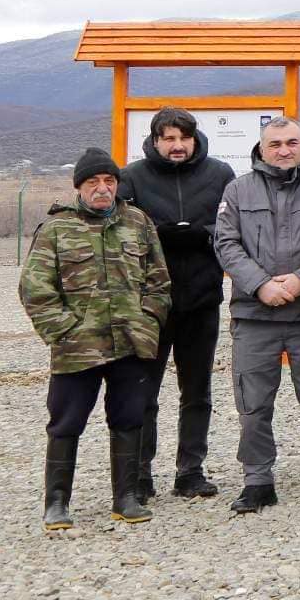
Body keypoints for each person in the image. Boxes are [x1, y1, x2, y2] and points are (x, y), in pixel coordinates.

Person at [21, 148, 171, 530]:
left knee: (129, 418)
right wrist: (65, 330)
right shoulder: (57, 228)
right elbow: (35, 289)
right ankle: (56, 503)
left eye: (109, 181)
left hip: (130, 343)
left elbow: (159, 280)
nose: (102, 188)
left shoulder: (138, 222)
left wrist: (148, 320)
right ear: (79, 187)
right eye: (93, 182)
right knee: (65, 423)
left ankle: (126, 498)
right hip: (77, 349)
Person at [215, 117, 300, 512]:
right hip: (255, 315)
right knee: (253, 404)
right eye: (275, 144)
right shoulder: (238, 190)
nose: (283, 150)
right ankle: (257, 481)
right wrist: (260, 284)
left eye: (291, 142)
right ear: (261, 148)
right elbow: (226, 243)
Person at [118, 106, 235, 501]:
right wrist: (157, 235)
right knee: (143, 391)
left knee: (197, 391)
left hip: (201, 298)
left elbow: (234, 224)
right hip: (150, 303)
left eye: (183, 137)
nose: (177, 145)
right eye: (169, 138)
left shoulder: (220, 174)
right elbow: (120, 230)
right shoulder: (133, 177)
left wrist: (205, 234)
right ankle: (139, 474)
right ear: (155, 141)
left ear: (194, 138)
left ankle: (191, 471)